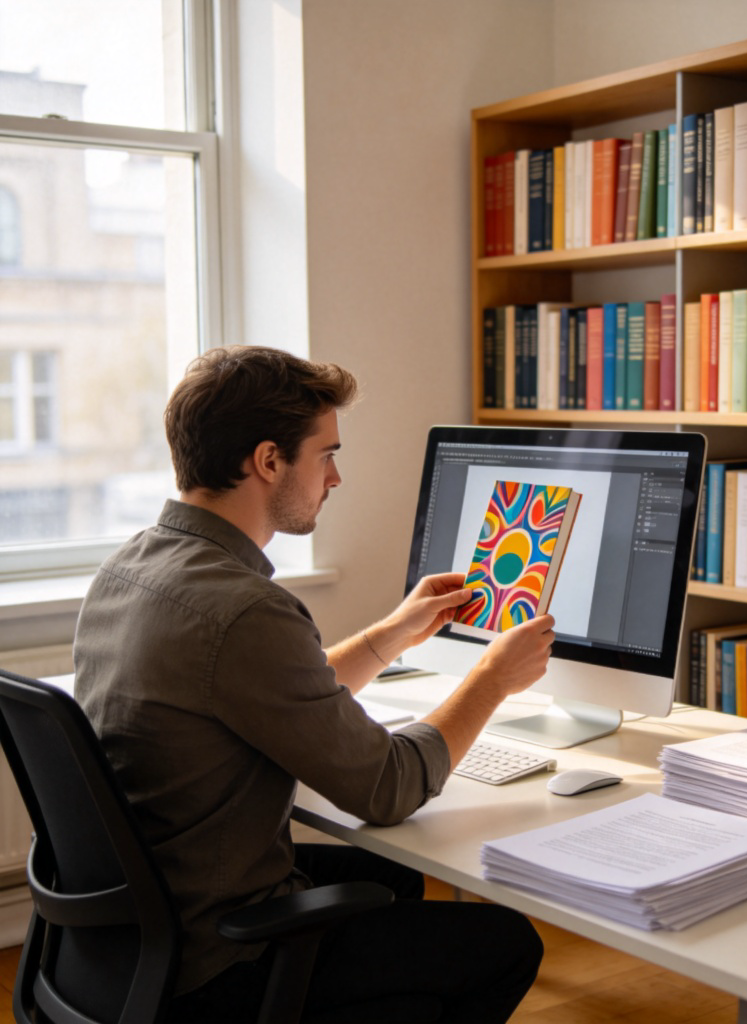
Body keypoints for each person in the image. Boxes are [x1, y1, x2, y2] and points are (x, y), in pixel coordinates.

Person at [73, 345, 553, 1023]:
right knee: (504, 944)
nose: (336, 476)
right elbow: (388, 789)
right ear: (268, 461)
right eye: (326, 454)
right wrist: (490, 679)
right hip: (213, 960)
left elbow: (265, 690)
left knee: (388, 880)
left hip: (130, 934)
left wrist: (392, 633)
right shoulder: (244, 610)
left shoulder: (132, 567)